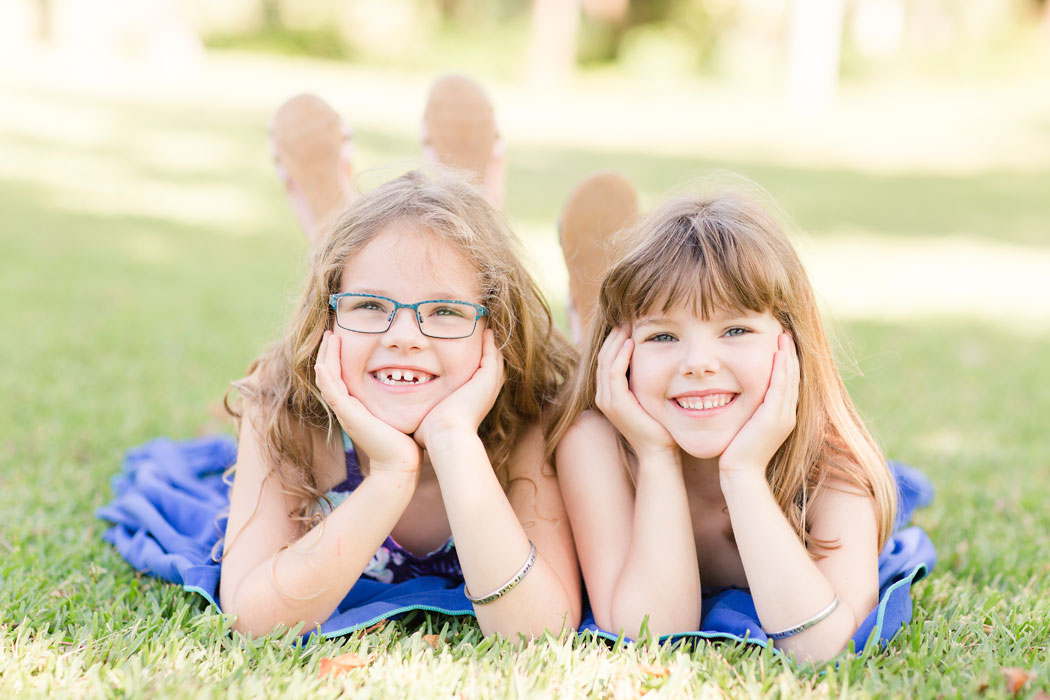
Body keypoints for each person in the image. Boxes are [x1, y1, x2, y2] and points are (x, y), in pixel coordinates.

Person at [100, 167, 581, 640]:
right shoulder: (285, 408)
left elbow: (538, 632)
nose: (405, 338)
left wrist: (455, 440)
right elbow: (251, 621)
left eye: (446, 311)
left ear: (497, 334)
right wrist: (391, 474)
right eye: (370, 305)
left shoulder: (528, 418)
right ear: (326, 321)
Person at [548, 182, 934, 661]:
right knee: (557, 387)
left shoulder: (833, 464)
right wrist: (655, 456)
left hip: (720, 418)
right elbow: (652, 631)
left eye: (735, 329)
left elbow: (825, 645)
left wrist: (744, 473)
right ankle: (586, 326)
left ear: (790, 341)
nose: (699, 362)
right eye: (663, 335)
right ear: (621, 352)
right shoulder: (595, 444)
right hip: (639, 403)